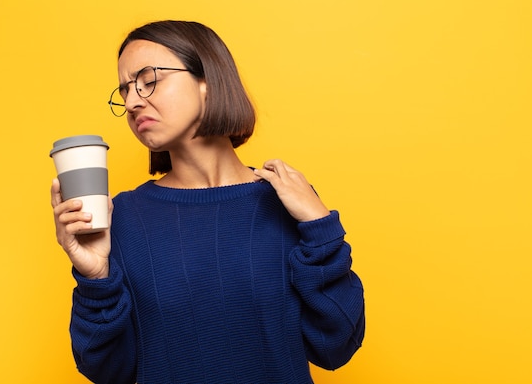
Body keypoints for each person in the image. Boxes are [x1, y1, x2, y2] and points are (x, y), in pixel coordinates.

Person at [51, 20, 365, 384]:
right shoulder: (121, 218)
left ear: (207, 81)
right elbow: (108, 371)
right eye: (124, 90)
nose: (134, 101)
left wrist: (321, 229)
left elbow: (336, 346)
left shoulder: (288, 200)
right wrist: (95, 278)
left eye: (148, 79)